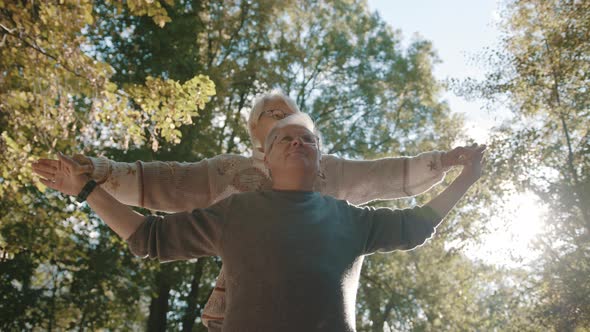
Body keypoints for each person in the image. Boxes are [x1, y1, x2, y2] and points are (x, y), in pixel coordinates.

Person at [32, 91, 481, 329]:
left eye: (304, 134)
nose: (294, 138)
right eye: (279, 130)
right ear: (260, 149)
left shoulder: (344, 206)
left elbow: (401, 196)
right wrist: (94, 179)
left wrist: (451, 168)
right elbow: (159, 196)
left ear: (320, 154)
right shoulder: (232, 196)